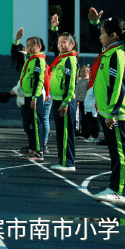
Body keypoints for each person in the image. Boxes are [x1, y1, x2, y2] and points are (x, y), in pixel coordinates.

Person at [88, 15, 125, 205]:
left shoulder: (118, 55)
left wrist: (113, 113)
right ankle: (114, 186)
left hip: (115, 114)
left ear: (113, 35)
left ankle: (120, 191)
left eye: (102, 33)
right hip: (107, 112)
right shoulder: (109, 52)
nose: (100, 37)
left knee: (121, 152)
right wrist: (95, 24)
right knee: (115, 152)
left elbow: (119, 86)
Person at [46, 13, 78, 171]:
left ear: (72, 45)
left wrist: (65, 102)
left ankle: (68, 162)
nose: (60, 45)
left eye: (64, 42)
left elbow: (70, 84)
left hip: (65, 101)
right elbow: (52, 41)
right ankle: (62, 159)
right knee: (60, 132)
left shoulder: (70, 60)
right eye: (59, 42)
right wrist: (54, 27)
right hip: (57, 99)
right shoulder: (61, 58)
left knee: (66, 133)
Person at [11, 28, 47, 160]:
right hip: (26, 96)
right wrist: (16, 40)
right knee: (28, 124)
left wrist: (35, 97)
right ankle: (32, 147)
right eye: (28, 45)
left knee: (36, 124)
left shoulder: (39, 60)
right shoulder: (29, 59)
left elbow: (39, 80)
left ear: (39, 46)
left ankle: (39, 151)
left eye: (33, 45)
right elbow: (15, 54)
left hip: (34, 96)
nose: (30, 48)